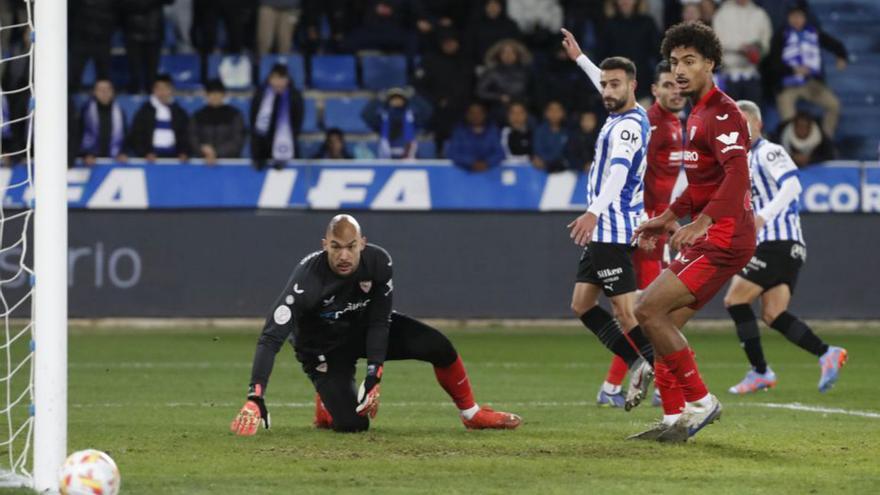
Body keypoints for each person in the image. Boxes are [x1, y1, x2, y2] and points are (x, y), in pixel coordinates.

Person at [230, 214, 522, 434]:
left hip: (361, 328)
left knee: (439, 346)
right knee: (353, 426)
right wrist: (255, 397)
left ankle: (471, 414)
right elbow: (270, 338)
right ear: (324, 246)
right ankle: (326, 395)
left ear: (362, 244)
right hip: (323, 348)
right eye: (335, 247)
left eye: (350, 247)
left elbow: (380, 321)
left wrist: (374, 376)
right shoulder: (306, 281)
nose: (343, 256)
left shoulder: (379, 263)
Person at [631, 21, 754, 442]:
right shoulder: (697, 112)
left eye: (689, 61)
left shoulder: (722, 112)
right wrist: (669, 217)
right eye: (674, 62)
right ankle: (674, 418)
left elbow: (738, 174)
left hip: (725, 236)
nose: (679, 70)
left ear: (710, 63)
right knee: (659, 322)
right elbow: (704, 184)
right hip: (716, 231)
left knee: (647, 308)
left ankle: (700, 401)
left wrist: (703, 221)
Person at [560, 28, 656, 411]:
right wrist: (581, 59)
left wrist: (593, 211)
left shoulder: (629, 127)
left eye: (615, 84)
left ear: (633, 85)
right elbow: (604, 79)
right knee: (582, 305)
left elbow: (617, 172)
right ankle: (639, 361)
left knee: (627, 311)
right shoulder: (629, 114)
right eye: (603, 84)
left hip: (612, 227)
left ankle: (658, 369)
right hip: (607, 227)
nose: (607, 91)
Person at [723, 100, 847, 395]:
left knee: (735, 300)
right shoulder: (741, 161)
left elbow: (792, 184)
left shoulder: (770, 151)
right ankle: (827, 353)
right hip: (784, 247)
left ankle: (760, 371)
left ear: (758, 124)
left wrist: (763, 216)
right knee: (773, 314)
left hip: (779, 241)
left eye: (744, 123)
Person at [600, 60, 686, 409]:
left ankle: (612, 385)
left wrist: (668, 219)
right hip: (642, 228)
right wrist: (648, 222)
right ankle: (652, 382)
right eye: (667, 85)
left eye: (680, 85)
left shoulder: (676, 124)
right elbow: (637, 179)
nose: (675, 92)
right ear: (653, 89)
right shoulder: (651, 124)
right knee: (649, 312)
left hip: (656, 226)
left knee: (647, 311)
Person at [769, 4, 848, 138]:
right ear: (788, 18)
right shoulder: (780, 36)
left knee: (834, 105)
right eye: (793, 16)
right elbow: (773, 64)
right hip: (788, 84)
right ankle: (791, 144)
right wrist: (793, 70)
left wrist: (841, 56)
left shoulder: (814, 33)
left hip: (811, 83)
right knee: (788, 115)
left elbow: (835, 44)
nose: (796, 20)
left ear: (805, 18)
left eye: (800, 16)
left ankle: (825, 140)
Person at [414, 28, 474, 153]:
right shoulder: (430, 60)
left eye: (452, 42)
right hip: (436, 107)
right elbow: (419, 85)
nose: (450, 45)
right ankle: (438, 152)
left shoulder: (466, 60)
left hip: (462, 105)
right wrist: (436, 100)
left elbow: (471, 85)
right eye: (446, 43)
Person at [596, 0, 661, 102]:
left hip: (643, 86)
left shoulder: (647, 22)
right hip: (616, 87)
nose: (625, 1)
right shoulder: (608, 24)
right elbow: (601, 57)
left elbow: (658, 54)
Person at [712, 0, 772, 102]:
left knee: (753, 116)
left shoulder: (759, 14)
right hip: (729, 75)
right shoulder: (722, 14)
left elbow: (766, 44)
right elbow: (716, 42)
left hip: (752, 75)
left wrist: (756, 50)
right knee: (730, 116)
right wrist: (739, 48)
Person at [250, 64, 304, 170]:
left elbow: (297, 123)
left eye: (282, 78)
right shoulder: (260, 95)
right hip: (263, 149)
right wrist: (257, 155)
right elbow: (254, 123)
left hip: (286, 146)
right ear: (270, 79)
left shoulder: (294, 97)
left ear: (287, 80)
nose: (279, 82)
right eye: (276, 78)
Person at [127, 74, 191, 161]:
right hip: (150, 160)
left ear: (171, 90)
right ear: (154, 90)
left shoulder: (179, 112)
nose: (162, 92)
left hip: (175, 161)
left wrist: (184, 152)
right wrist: (145, 153)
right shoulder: (144, 112)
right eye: (159, 89)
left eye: (165, 88)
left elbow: (186, 135)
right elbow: (136, 135)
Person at [361, 88, 431, 160]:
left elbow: (428, 112)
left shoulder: (412, 117)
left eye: (399, 98)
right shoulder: (382, 117)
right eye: (393, 99)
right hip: (386, 154)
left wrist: (415, 97)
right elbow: (366, 115)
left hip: (409, 153)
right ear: (388, 101)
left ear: (404, 100)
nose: (397, 101)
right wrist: (378, 99)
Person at [117, 0, 169, 94]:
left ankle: (152, 97)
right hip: (132, 30)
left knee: (151, 73)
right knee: (134, 72)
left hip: (153, 30)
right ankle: (135, 93)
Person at [189, 79, 246, 164]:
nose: (215, 96)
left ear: (224, 95)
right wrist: (202, 149)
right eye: (211, 93)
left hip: (229, 165)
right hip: (202, 163)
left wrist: (216, 152)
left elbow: (238, 141)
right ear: (206, 95)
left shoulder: (235, 115)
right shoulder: (197, 116)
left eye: (218, 93)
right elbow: (192, 137)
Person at [475, 39, 533, 119]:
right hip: (499, 111)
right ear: (499, 55)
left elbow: (533, 92)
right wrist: (499, 97)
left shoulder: (526, 72)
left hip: (523, 110)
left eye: (512, 52)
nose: (508, 55)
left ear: (517, 55)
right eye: (504, 52)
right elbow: (480, 92)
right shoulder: (492, 72)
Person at [444, 101, 505, 172]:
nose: (476, 116)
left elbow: (499, 153)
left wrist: (487, 163)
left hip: (490, 173)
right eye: (472, 113)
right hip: (464, 173)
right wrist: (471, 162)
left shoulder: (492, 131)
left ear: (484, 115)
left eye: (479, 113)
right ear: (467, 115)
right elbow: (452, 153)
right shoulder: (459, 132)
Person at [78, 80, 128, 166]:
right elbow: (78, 134)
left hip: (114, 161)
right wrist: (85, 154)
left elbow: (125, 135)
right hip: (90, 161)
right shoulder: (85, 111)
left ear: (112, 92)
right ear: (94, 92)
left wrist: (122, 152)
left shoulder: (119, 112)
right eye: (100, 89)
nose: (104, 92)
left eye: (107, 89)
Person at [68, 0, 116, 90]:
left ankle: (103, 99)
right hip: (81, 37)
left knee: (104, 75)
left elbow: (116, 10)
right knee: (73, 74)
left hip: (102, 36)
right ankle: (71, 97)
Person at [532, 100, 569, 172]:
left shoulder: (568, 132)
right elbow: (537, 150)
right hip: (542, 168)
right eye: (551, 110)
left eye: (558, 110)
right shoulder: (539, 130)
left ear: (563, 113)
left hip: (563, 169)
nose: (554, 113)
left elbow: (567, 153)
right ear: (546, 113)